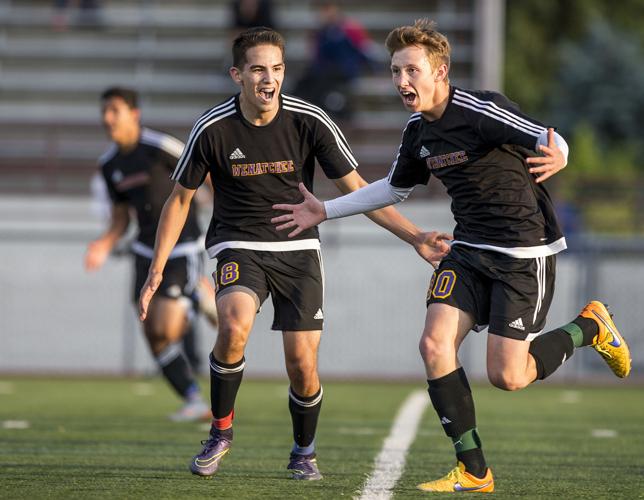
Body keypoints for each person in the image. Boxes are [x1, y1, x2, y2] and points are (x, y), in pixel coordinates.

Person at [271, 19, 632, 493]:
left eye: (411, 71)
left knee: (508, 375)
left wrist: (560, 151)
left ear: (440, 71)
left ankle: (590, 326)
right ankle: (474, 469)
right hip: (467, 251)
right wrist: (325, 209)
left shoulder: (481, 110)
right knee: (433, 345)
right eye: (396, 71)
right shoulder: (418, 131)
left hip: (524, 252)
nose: (402, 81)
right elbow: (394, 189)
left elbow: (547, 136)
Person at [138, 27, 450, 481]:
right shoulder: (212, 128)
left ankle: (304, 451)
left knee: (302, 365)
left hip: (299, 250)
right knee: (233, 324)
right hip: (238, 244)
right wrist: (156, 269)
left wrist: (416, 237)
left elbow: (358, 191)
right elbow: (179, 200)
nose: (270, 79)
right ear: (237, 75)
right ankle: (220, 432)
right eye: (259, 69)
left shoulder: (311, 120)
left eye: (278, 69)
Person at [85, 86, 213, 422]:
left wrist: (218, 206)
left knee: (167, 327)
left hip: (182, 247)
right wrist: (103, 243)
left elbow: (206, 171)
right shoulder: (109, 164)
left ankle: (198, 295)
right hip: (144, 251)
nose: (108, 118)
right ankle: (193, 399)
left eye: (114, 110)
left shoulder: (160, 147)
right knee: (152, 333)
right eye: (104, 111)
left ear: (134, 114)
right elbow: (120, 217)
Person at [293, 1, 377, 120]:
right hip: (324, 71)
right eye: (323, 10)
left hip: (344, 70)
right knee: (303, 82)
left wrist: (375, 69)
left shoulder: (350, 28)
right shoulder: (320, 32)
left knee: (318, 86)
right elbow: (316, 58)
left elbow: (365, 50)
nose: (325, 14)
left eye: (328, 9)